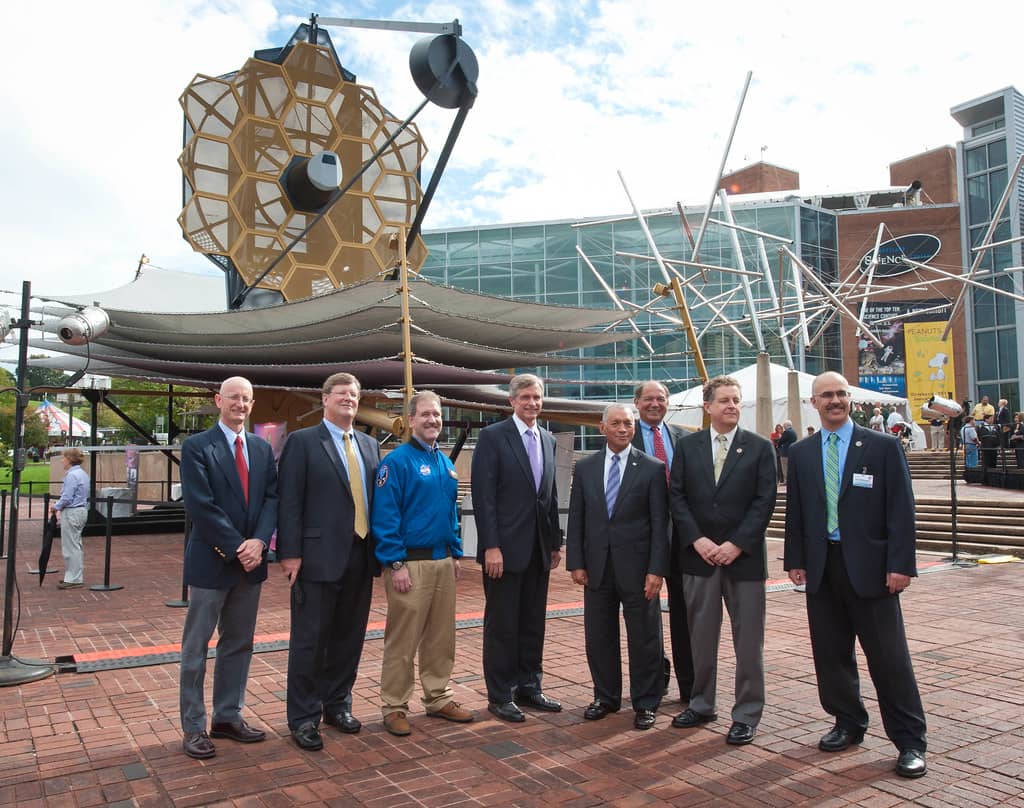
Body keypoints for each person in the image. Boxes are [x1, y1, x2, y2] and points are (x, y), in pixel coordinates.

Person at [784, 371, 927, 779]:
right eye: (826, 395)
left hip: (873, 571)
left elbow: (902, 508)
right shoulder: (802, 452)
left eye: (841, 394)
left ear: (850, 400)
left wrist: (900, 564)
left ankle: (910, 741)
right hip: (822, 568)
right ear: (814, 402)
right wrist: (795, 558)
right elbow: (797, 510)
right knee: (831, 656)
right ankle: (847, 723)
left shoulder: (881, 447)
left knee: (889, 660)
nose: (835, 400)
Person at [669, 376, 777, 746]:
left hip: (742, 562)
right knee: (701, 638)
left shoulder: (760, 447)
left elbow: (764, 502)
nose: (732, 405)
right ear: (708, 407)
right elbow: (677, 498)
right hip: (698, 559)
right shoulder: (687, 447)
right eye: (725, 400)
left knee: (748, 642)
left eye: (736, 400)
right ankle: (701, 704)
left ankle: (746, 714)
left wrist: (735, 544)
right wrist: (697, 539)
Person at [277, 372, 381, 751]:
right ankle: (303, 717)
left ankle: (338, 705)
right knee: (310, 640)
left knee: (348, 637)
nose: (348, 399)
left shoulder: (370, 446)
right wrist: (289, 553)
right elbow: (289, 501)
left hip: (360, 555)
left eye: (354, 394)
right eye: (341, 394)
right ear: (324, 399)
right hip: (316, 558)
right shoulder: (303, 443)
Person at [178, 377, 279, 760]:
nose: (240, 404)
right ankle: (193, 726)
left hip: (250, 564)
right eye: (234, 397)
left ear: (253, 405)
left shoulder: (260, 448)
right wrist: (239, 546)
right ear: (219, 400)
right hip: (212, 562)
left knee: (238, 644)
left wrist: (260, 541)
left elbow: (271, 497)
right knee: (196, 647)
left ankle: (227, 716)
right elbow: (201, 506)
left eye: (247, 399)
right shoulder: (197, 447)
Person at [371, 391, 474, 737]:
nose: (433, 420)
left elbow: (450, 514)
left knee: (441, 637)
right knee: (403, 639)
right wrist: (395, 562)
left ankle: (438, 695)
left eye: (437, 415)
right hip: (409, 565)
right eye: (426, 414)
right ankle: (394, 705)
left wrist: (455, 552)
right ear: (411, 420)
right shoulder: (396, 463)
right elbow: (385, 517)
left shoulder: (445, 463)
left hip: (442, 561)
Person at [567, 403, 669, 730]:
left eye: (628, 423)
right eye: (615, 423)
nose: (622, 428)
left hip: (640, 571)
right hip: (597, 568)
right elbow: (578, 518)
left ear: (634, 428)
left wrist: (657, 570)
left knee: (644, 638)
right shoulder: (585, 468)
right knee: (599, 636)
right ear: (602, 428)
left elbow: (659, 524)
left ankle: (646, 702)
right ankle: (605, 697)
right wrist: (576, 563)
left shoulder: (652, 468)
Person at [471, 373, 563, 723]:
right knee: (502, 625)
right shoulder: (493, 437)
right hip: (503, 552)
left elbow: (550, 496)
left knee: (532, 623)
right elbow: (484, 497)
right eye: (525, 397)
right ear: (511, 401)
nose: (532, 403)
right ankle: (500, 694)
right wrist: (491, 546)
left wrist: (555, 542)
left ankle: (529, 686)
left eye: (537, 397)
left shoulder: (548, 439)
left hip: (539, 550)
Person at [631, 380, 694, 703]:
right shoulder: (626, 437)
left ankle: (690, 685)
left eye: (661, 398)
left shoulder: (685, 439)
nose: (655, 404)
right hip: (643, 540)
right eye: (648, 399)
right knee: (646, 616)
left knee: (686, 614)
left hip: (683, 540)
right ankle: (654, 679)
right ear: (636, 402)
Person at [50, 447, 90, 590]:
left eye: (64, 458)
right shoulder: (83, 474)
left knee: (70, 546)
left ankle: (73, 578)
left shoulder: (71, 476)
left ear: (70, 459)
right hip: (81, 510)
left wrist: (56, 506)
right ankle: (74, 576)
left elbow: (67, 497)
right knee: (76, 544)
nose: (62, 461)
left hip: (72, 511)